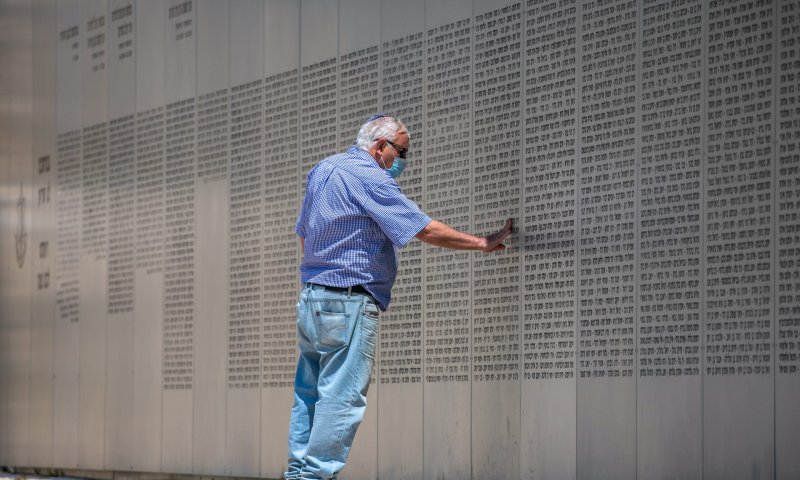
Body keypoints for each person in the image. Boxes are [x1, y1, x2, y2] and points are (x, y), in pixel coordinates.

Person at [285, 114, 513, 480]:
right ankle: (314, 478)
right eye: (402, 152)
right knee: (342, 400)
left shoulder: (323, 169)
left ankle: (299, 474)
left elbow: (303, 234)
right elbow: (422, 227)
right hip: (350, 301)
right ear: (380, 147)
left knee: (308, 396)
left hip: (313, 298)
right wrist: (482, 243)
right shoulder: (369, 175)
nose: (402, 161)